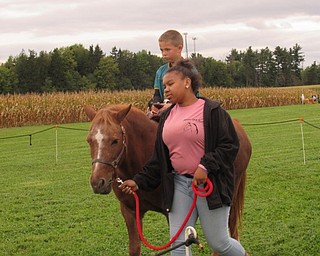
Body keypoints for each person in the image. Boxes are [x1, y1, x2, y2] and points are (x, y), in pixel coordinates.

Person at [120, 59, 249, 256]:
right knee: (179, 248)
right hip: (180, 186)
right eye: (164, 86)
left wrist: (205, 167)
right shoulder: (167, 116)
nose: (166, 90)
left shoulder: (213, 111)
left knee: (220, 243)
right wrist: (138, 181)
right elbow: (158, 159)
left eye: (171, 84)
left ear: (187, 82)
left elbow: (230, 145)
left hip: (209, 186)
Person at [147, 29, 184, 118]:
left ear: (179, 48)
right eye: (162, 50)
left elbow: (193, 99)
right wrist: (154, 105)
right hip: (164, 110)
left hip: (184, 112)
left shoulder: (189, 70)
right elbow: (157, 95)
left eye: (167, 50)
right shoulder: (160, 71)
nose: (164, 54)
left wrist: (171, 106)